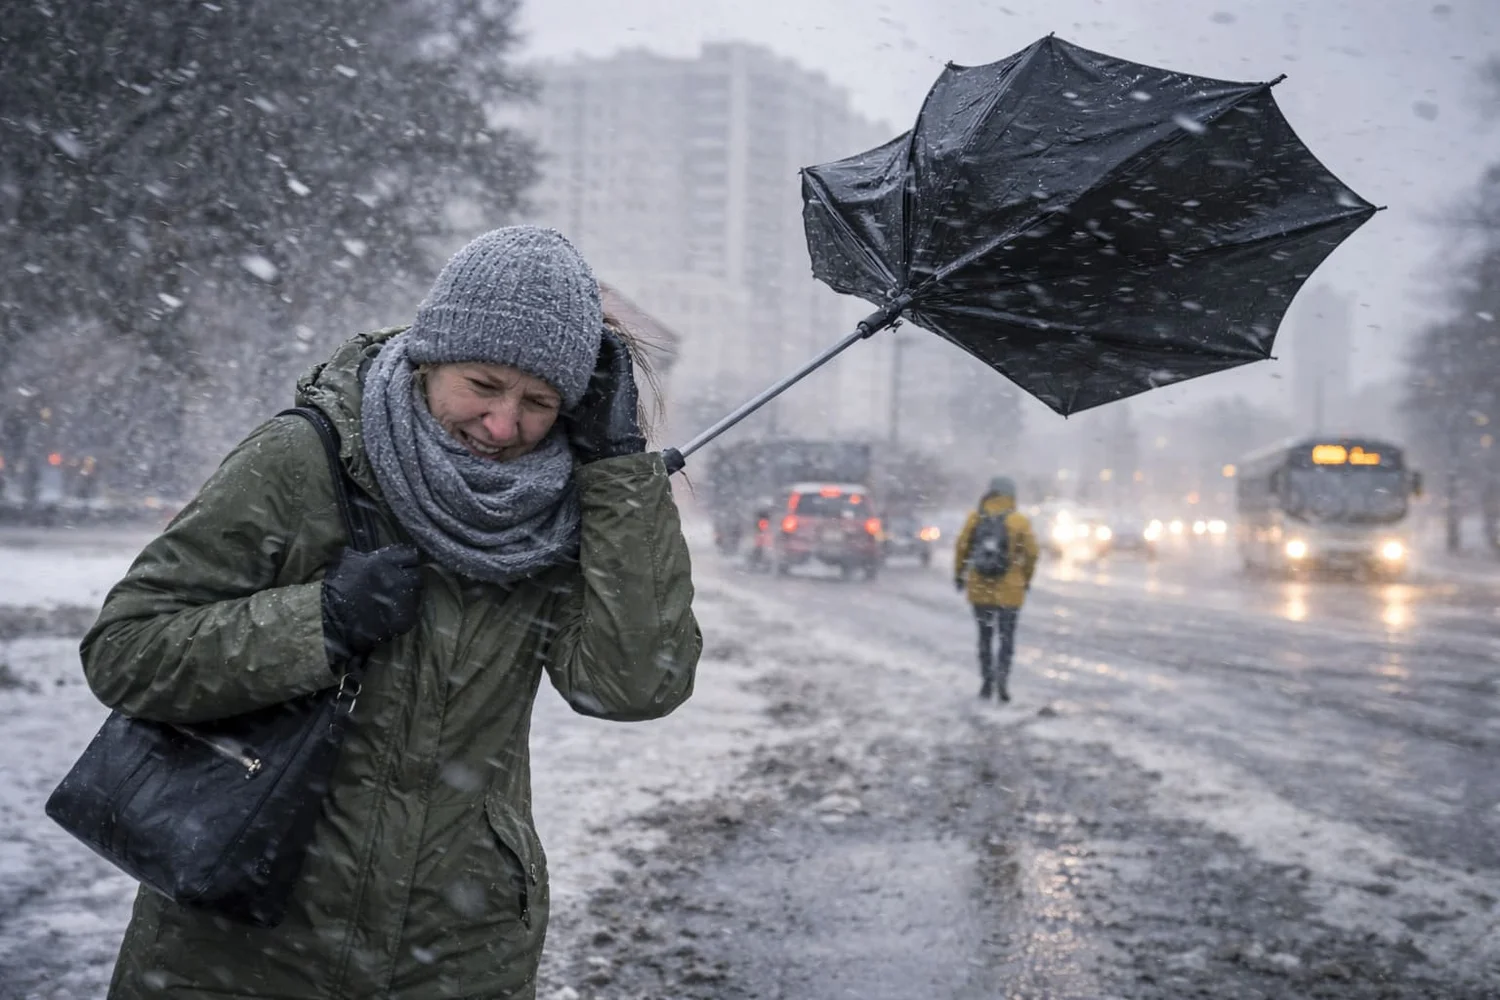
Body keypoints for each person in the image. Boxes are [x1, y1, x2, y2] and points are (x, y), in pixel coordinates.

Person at [80, 226, 702, 999]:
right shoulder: (303, 459)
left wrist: (620, 473)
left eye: (539, 402)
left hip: (454, 952)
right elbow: (126, 650)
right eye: (483, 384)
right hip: (241, 938)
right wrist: (322, 621)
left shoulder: (560, 515)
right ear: (430, 356)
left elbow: (634, 685)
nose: (504, 425)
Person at [953, 476, 1038, 702]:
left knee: (985, 637)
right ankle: (1003, 679)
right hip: (1010, 591)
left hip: (980, 590)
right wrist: (1026, 578)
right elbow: (1031, 553)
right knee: (1006, 638)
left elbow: (961, 547)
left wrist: (959, 574)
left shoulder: (975, 518)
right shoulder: (1019, 521)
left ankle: (986, 681)